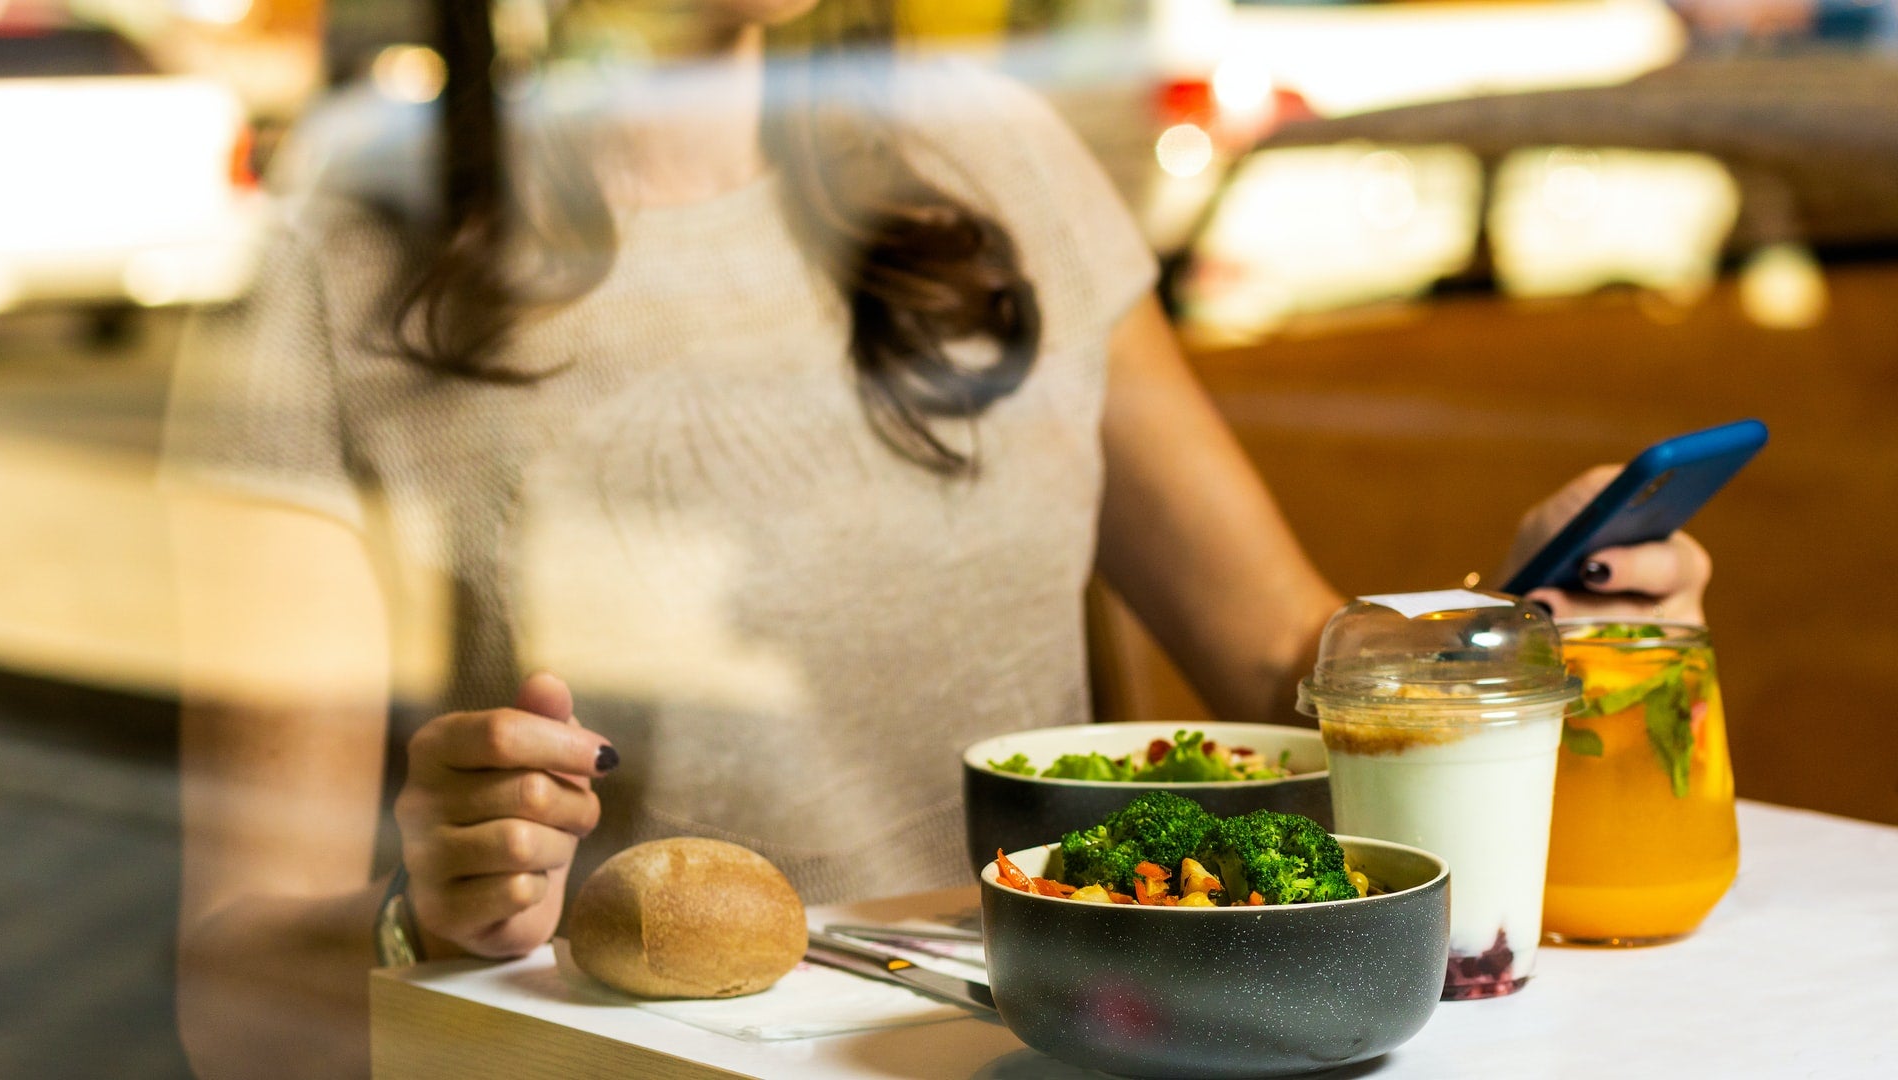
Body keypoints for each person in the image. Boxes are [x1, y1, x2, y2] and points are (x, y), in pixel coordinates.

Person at [162, 2, 1712, 1077]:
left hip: (1106, 1044)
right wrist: (424, 921)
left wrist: (1514, 626)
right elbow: (228, 1002)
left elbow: (1285, 661)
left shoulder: (997, 157)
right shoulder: (343, 261)